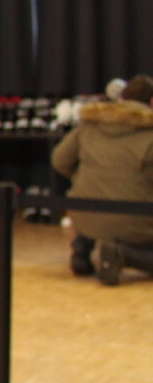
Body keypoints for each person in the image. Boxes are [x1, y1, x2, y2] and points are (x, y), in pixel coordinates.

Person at [52, 73, 153, 285]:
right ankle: (124, 255)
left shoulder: (89, 125)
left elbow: (60, 161)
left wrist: (83, 178)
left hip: (83, 214)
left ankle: (82, 250)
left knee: (95, 193)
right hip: (136, 221)